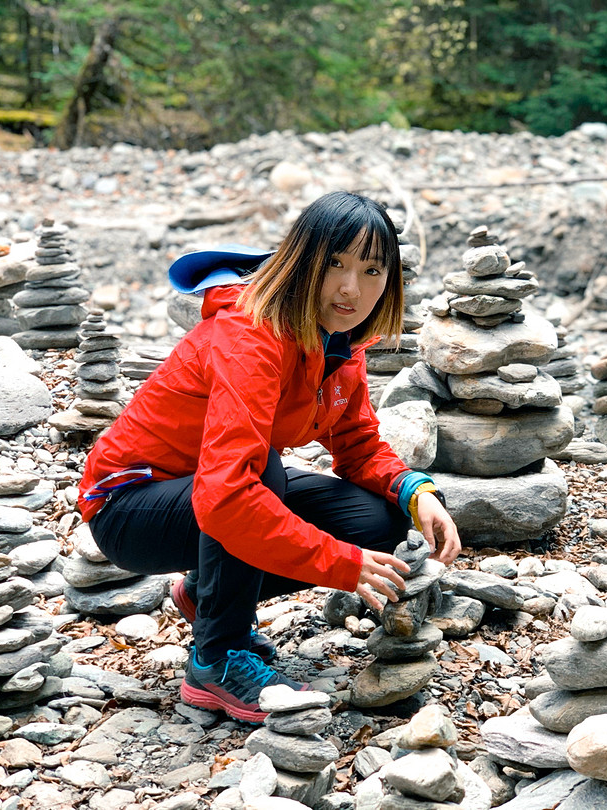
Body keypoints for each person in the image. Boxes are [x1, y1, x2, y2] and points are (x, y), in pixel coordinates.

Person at [78, 191, 461, 723]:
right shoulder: (252, 334)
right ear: (302, 260)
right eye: (335, 263)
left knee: (379, 518)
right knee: (261, 473)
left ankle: (206, 597)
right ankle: (217, 658)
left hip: (204, 493)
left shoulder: (340, 341)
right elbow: (228, 492)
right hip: (127, 504)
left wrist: (416, 491)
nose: (351, 287)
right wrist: (340, 565)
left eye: (372, 270)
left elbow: (355, 444)